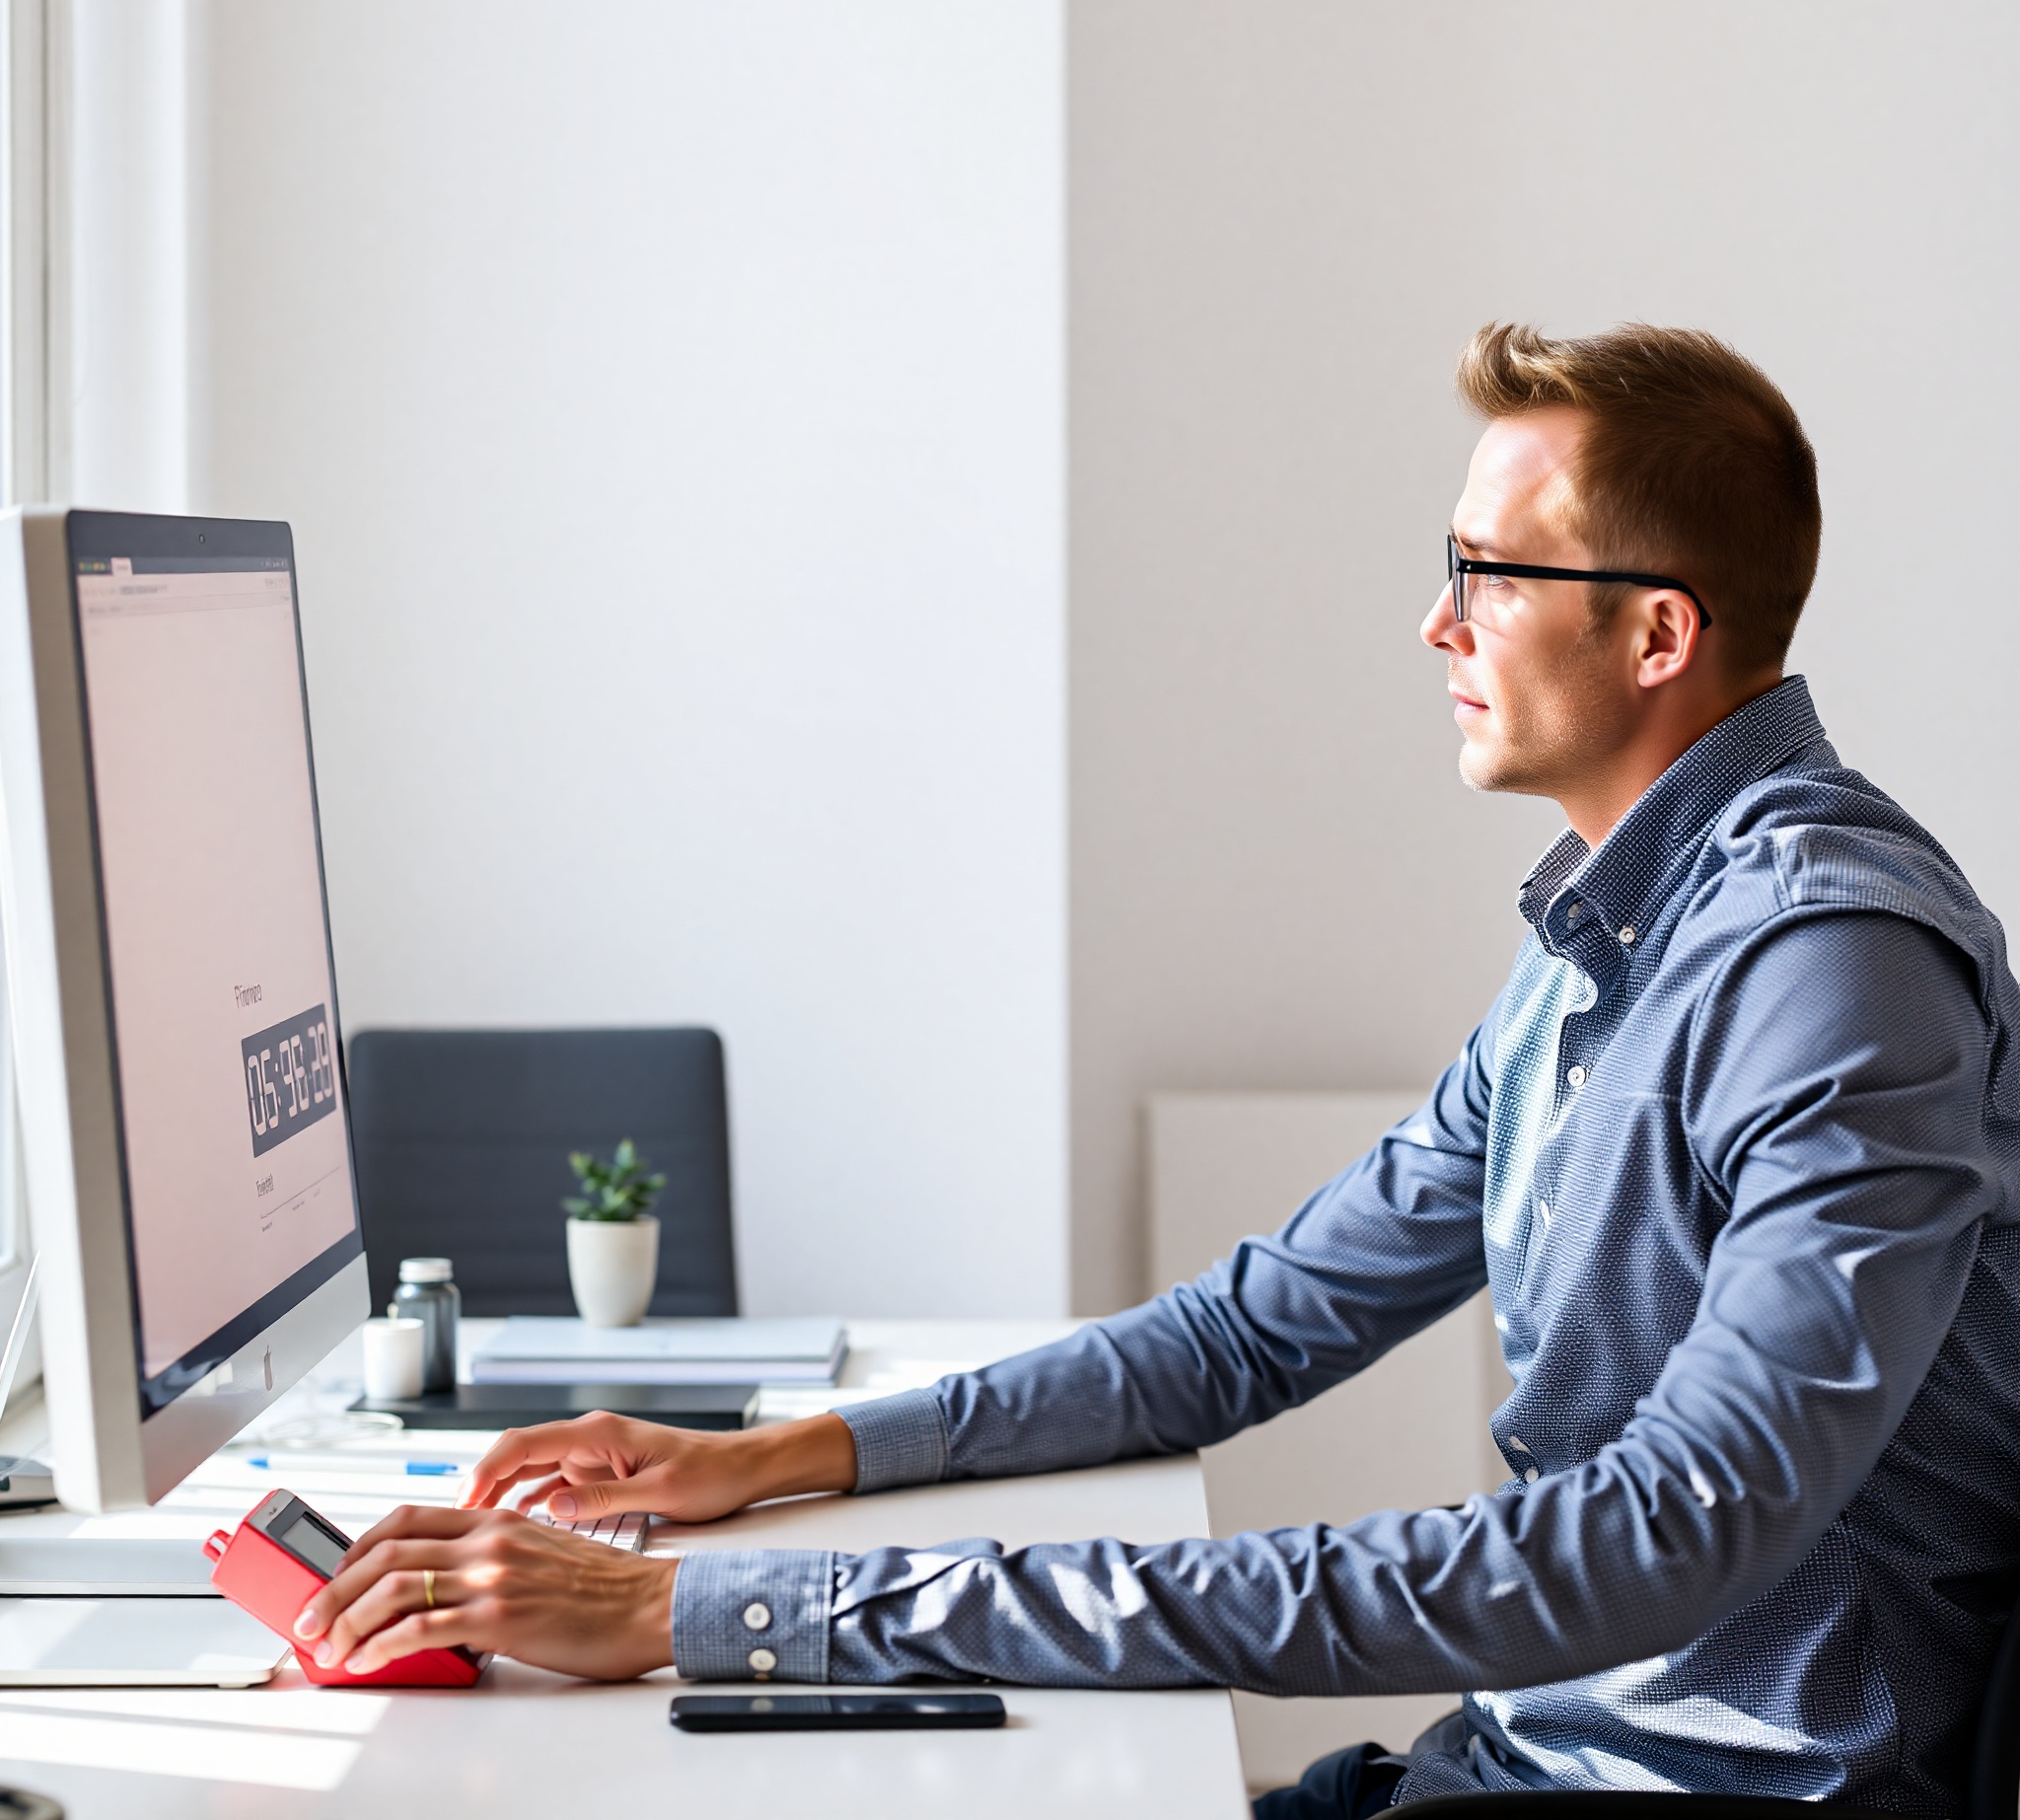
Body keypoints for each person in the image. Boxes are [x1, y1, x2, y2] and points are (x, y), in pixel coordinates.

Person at [294, 324, 2020, 1819]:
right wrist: (782, 1459)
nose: (1437, 622)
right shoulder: (1606, 936)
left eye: (1493, 574)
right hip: (1530, 1761)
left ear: (1656, 637)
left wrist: (724, 1615)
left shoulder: (1832, 972)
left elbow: (1657, 1538)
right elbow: (1253, 1331)